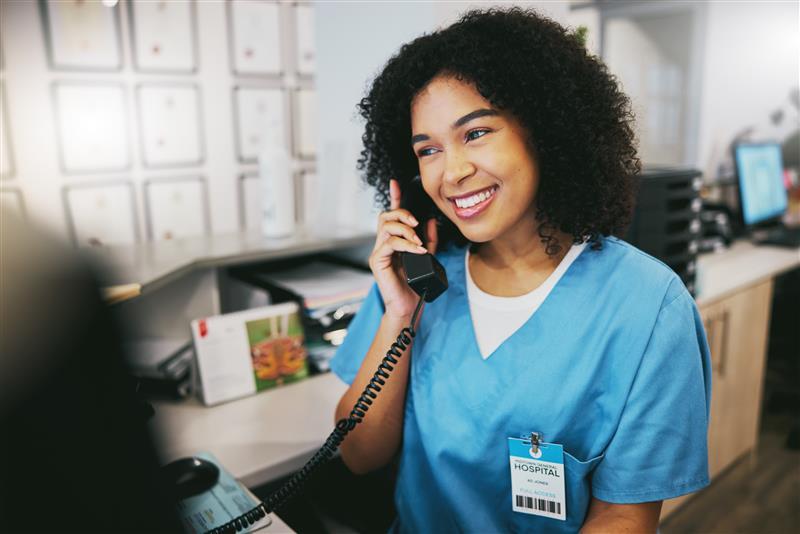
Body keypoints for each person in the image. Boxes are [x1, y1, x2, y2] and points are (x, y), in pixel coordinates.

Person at [330, 8, 711, 533]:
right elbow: (357, 456)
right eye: (429, 150)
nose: (454, 171)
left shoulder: (648, 308)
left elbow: (624, 515)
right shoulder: (415, 282)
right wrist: (399, 314)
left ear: (544, 129)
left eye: (477, 132)